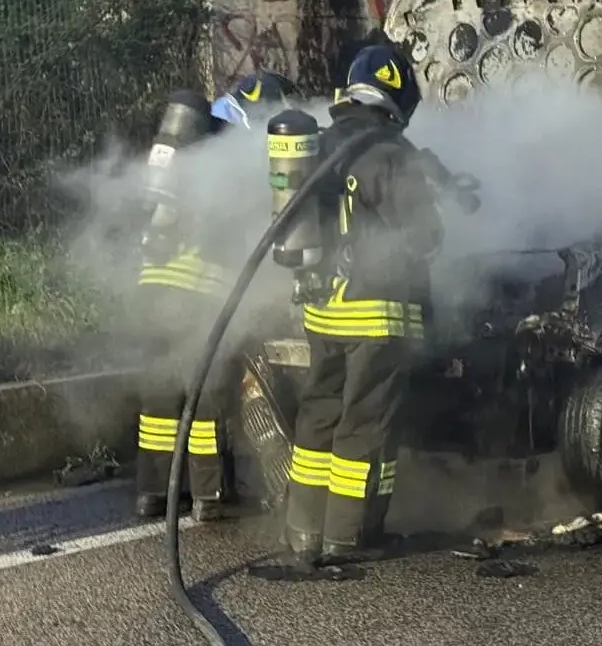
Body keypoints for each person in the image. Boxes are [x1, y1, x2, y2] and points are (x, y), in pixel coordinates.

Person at [282, 41, 443, 565]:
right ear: (397, 96)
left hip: (322, 308)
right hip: (378, 312)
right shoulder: (392, 154)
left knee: (318, 418)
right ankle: (349, 536)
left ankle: (303, 531)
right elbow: (424, 237)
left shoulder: (321, 144)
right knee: (364, 426)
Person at [134, 70, 298, 523]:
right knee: (203, 395)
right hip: (196, 293)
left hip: (152, 286)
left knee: (159, 397)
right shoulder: (237, 158)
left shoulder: (189, 148)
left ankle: (153, 493)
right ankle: (208, 496)